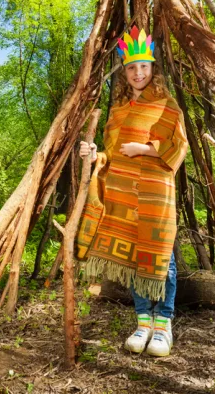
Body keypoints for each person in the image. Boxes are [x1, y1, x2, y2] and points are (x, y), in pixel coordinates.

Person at [77, 25, 188, 357]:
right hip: (124, 196)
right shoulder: (118, 112)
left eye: (143, 66)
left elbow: (179, 147)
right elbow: (112, 154)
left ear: (152, 68)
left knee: (162, 259)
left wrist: (146, 149)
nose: (138, 73)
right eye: (131, 67)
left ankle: (163, 324)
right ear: (125, 72)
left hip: (156, 194)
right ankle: (142, 323)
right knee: (135, 258)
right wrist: (94, 154)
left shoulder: (168, 107)